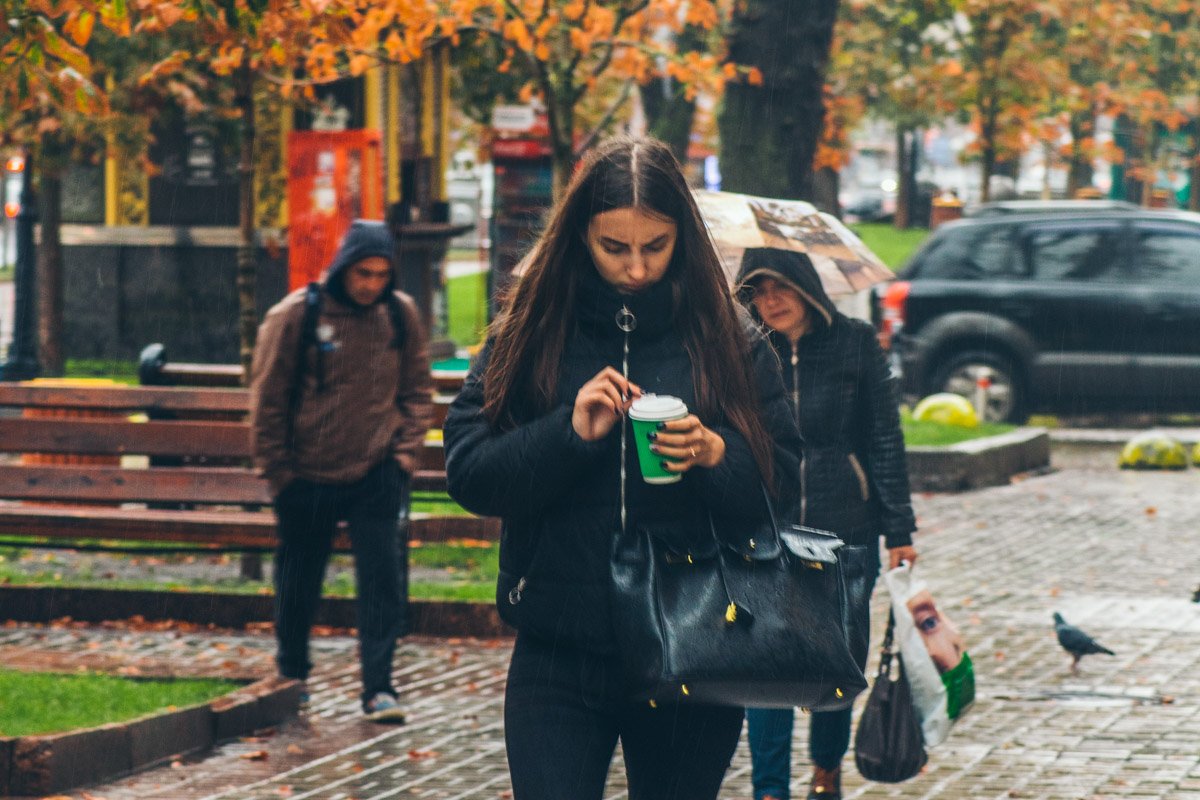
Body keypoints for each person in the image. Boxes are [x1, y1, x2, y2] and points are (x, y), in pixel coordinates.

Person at [443, 137, 801, 800]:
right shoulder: (532, 330)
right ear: (581, 236)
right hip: (557, 646)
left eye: (655, 245)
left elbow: (784, 486)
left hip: (692, 642)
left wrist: (719, 455)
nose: (636, 268)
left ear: (683, 239)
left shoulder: (730, 339)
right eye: (615, 247)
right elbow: (469, 472)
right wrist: (567, 434)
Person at [737, 248, 918, 800]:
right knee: (766, 662)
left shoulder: (854, 342)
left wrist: (900, 529)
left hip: (844, 529)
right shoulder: (740, 348)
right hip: (766, 527)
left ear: (807, 286)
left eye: (781, 287)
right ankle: (769, 787)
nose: (771, 301)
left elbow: (884, 437)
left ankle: (826, 769)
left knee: (834, 660)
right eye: (757, 290)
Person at [250, 219, 433, 722]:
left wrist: (402, 457)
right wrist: (278, 473)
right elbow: (268, 399)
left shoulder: (400, 315)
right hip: (305, 474)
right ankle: (293, 674)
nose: (371, 284)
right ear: (343, 267)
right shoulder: (297, 316)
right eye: (362, 273)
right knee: (299, 579)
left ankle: (379, 687)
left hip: (376, 473)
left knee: (382, 584)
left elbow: (418, 391)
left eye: (381, 275)